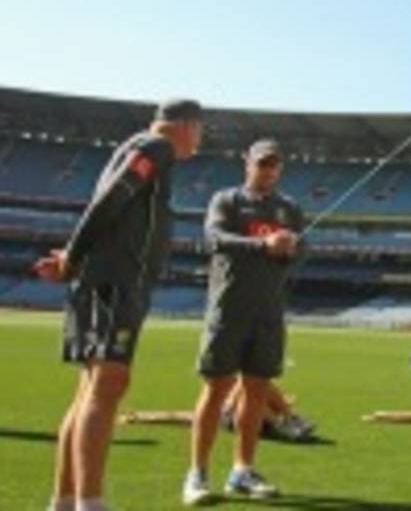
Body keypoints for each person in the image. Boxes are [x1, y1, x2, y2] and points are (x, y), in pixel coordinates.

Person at [34, 98, 204, 511]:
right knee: (109, 383)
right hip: (114, 283)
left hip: (109, 280)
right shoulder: (156, 148)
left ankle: (66, 501)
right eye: (200, 130)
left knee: (92, 389)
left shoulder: (139, 146)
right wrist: (74, 257)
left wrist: (76, 258)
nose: (200, 140)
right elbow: (113, 198)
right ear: (185, 126)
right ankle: (90, 503)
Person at [182, 139, 304, 506]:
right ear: (247, 164)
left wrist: (290, 249)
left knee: (256, 394)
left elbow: (301, 251)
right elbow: (213, 238)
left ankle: (242, 471)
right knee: (217, 390)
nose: (268, 170)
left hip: (269, 313)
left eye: (274, 164)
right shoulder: (227, 200)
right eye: (261, 163)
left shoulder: (289, 208)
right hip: (228, 309)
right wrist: (264, 245)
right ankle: (197, 474)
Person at [119, 379, 318, 444]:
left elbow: (181, 416)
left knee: (259, 386)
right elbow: (181, 416)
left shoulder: (232, 393)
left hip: (259, 417)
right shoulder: (218, 410)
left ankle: (288, 421)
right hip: (245, 419)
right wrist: (141, 417)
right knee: (258, 386)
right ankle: (286, 424)